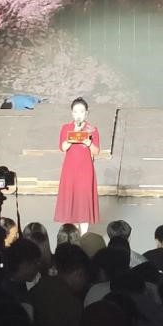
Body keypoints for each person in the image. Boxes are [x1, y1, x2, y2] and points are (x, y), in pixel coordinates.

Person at [54, 97, 100, 233]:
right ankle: (73, 234)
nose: (78, 114)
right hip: (70, 170)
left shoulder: (92, 129)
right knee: (72, 200)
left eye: (81, 111)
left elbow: (96, 151)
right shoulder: (66, 128)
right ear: (72, 113)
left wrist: (88, 143)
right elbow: (63, 147)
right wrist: (75, 132)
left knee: (84, 201)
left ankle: (84, 235)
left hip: (85, 170)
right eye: (75, 111)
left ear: (86, 113)